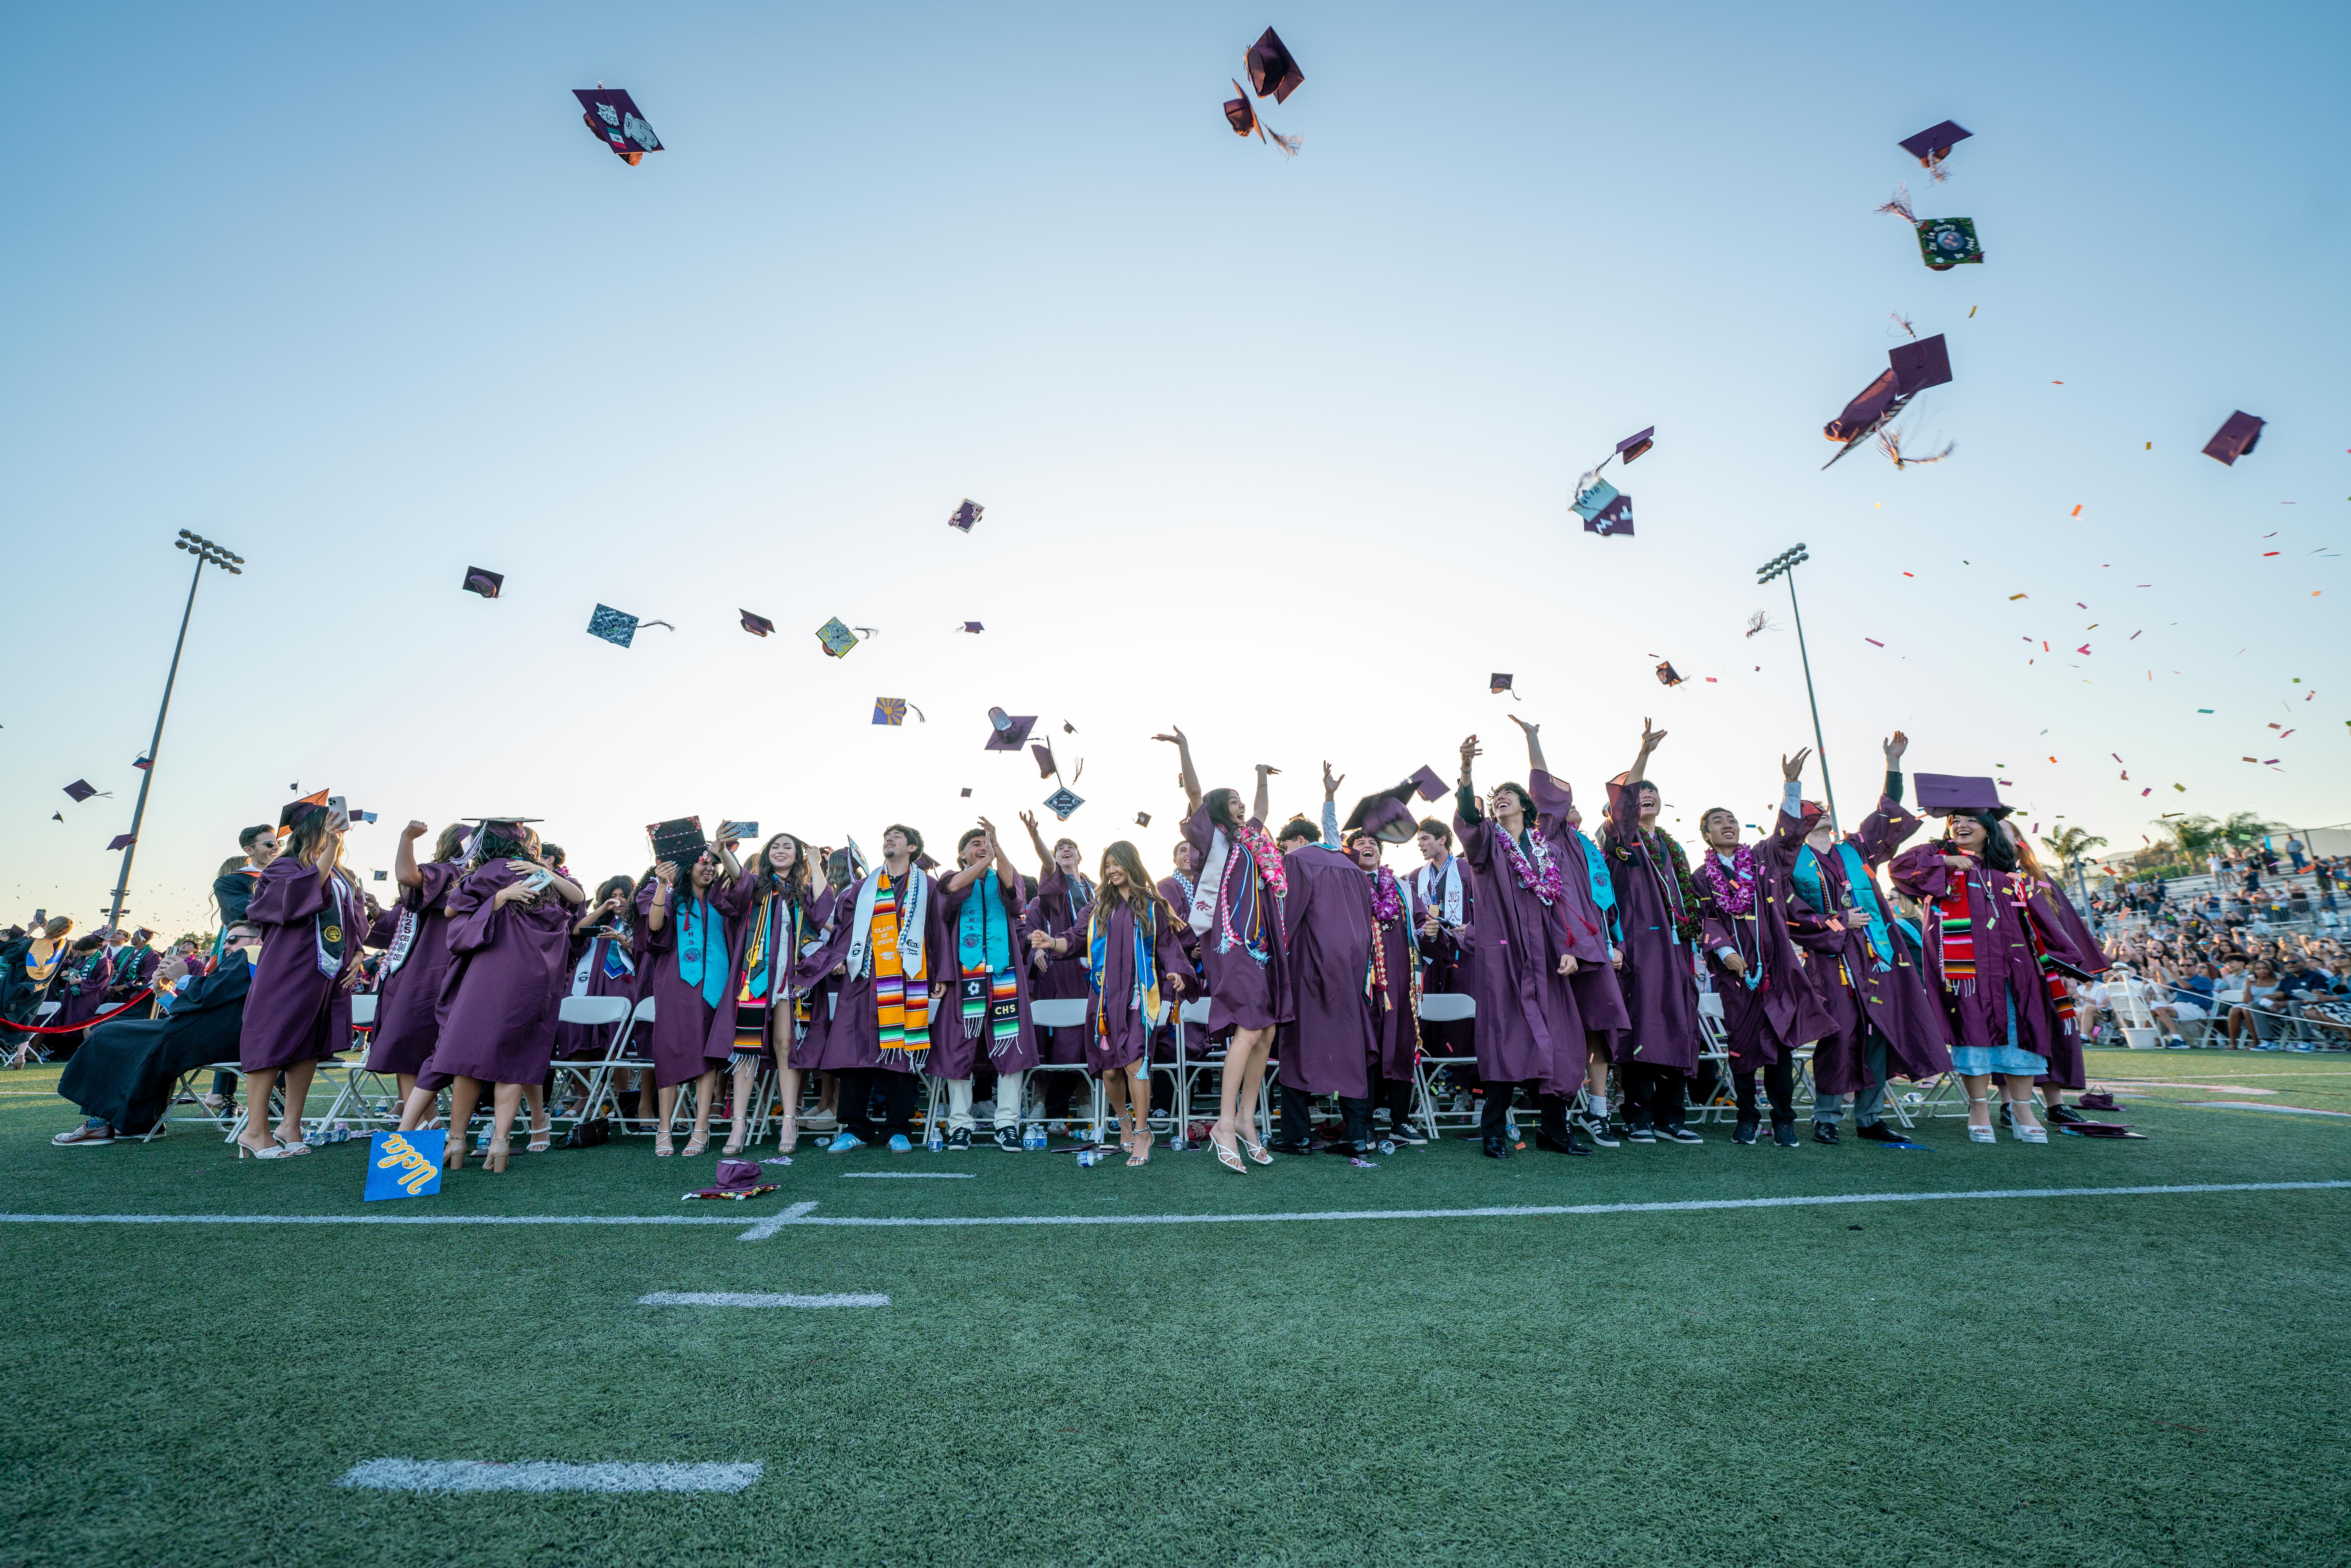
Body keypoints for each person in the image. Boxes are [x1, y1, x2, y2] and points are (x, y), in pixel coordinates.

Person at [1890, 776, 2082, 1143]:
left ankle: (2022, 1107)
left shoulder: (2013, 875)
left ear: (1988, 829)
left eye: (1971, 820)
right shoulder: (1939, 868)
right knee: (1972, 1035)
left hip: (2018, 972)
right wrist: (1947, 859)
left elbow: (2045, 922)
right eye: (1955, 821)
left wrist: (2064, 965)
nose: (1961, 826)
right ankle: (1978, 1106)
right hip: (1967, 974)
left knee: (2021, 1034)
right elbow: (1899, 869)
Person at [1785, 734, 1954, 1143]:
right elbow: (1793, 916)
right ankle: (1826, 1116)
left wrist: (1892, 764)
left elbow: (1886, 817)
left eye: (1822, 808)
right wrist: (1842, 922)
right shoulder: (1791, 862)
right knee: (1839, 1036)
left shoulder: (1855, 851)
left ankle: (1870, 1118)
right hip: (1832, 961)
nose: (1821, 813)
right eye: (1811, 810)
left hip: (1877, 956)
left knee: (1880, 1032)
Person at [401, 822, 582, 1172]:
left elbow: (453, 910)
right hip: (536, 980)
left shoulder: (494, 870)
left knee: (461, 1058)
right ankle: (500, 1143)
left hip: (494, 975)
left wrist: (496, 899)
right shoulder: (541, 875)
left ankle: (455, 1141)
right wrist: (542, 872)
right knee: (512, 1061)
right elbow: (575, 899)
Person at [1155, 726, 1292, 1174]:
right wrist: (1185, 749)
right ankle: (1225, 1123)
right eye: (1231, 800)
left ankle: (1249, 1120)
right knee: (1249, 1030)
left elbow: (1263, 809)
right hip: (1227, 944)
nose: (1240, 806)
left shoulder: (1252, 840)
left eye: (1240, 800)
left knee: (1267, 1032)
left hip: (1258, 945)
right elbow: (1195, 792)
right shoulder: (1210, 839)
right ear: (1219, 809)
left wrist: (1260, 776)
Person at [1453, 733, 1594, 1159]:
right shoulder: (1487, 846)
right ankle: (1494, 1131)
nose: (1502, 799)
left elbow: (1565, 903)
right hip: (1505, 960)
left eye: (1510, 795)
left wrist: (1570, 948)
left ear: (1526, 808)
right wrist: (1465, 770)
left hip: (1547, 960)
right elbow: (1467, 818)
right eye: (1497, 796)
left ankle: (1554, 1130)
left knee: (1558, 1041)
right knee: (1503, 1041)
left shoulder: (1548, 851)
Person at [1688, 751, 1839, 1148]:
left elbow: (1788, 836)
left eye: (1732, 820)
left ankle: (1785, 1120)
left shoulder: (1761, 861)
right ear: (1706, 835)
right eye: (1718, 822)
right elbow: (1704, 921)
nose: (1728, 825)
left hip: (1775, 968)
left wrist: (1791, 786)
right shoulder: (1702, 877)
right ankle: (1748, 1118)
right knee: (1743, 1047)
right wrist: (1724, 953)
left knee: (1782, 1044)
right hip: (1736, 975)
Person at [1510, 716, 1634, 1150]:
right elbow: (1543, 788)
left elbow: (1605, 902)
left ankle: (1597, 1112)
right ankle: (1555, 1117)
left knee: (1600, 1026)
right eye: (1561, 802)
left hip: (1596, 946)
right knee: (1563, 1030)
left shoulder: (1591, 849)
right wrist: (1533, 739)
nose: (1569, 804)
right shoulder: (1548, 838)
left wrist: (1613, 941)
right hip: (1559, 949)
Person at [793, 824, 953, 1154]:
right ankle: (855, 1129)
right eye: (886, 837)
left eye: (896, 837)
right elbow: (840, 929)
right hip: (863, 980)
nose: (888, 841)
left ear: (912, 848)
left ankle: (898, 1129)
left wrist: (943, 974)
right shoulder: (861, 889)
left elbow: (937, 931)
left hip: (906, 979)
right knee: (855, 1056)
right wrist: (836, 959)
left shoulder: (928, 887)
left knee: (900, 1054)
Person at [1035, 840, 1196, 1166]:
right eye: (1107, 866)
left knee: (1135, 1064)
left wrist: (1177, 973)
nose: (1111, 871)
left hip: (1139, 997)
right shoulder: (1097, 908)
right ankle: (1123, 1121)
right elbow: (1075, 939)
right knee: (1110, 1072)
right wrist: (1052, 942)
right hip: (1105, 1000)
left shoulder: (1152, 906)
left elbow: (1168, 946)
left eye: (1117, 864)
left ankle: (1142, 1133)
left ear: (1131, 865)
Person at [235, 797, 367, 1159]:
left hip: (327, 971)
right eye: (330, 828)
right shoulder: (283, 869)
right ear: (315, 829)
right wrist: (333, 847)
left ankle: (289, 1125)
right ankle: (255, 1130)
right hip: (289, 966)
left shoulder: (344, 875)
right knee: (272, 1039)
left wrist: (357, 953)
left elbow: (354, 920)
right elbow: (296, 898)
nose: (337, 835)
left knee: (310, 1044)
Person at [53, 923, 261, 1144]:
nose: (226, 946)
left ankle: (98, 1124)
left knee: (109, 1035)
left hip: (216, 1039)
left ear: (258, 940)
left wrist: (182, 977)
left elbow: (209, 995)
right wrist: (165, 993)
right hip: (214, 1035)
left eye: (233, 940)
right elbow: (210, 1005)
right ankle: (140, 1123)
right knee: (141, 1043)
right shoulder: (251, 962)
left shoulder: (253, 954)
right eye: (225, 941)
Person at [1600, 720, 1705, 1144]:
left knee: (1681, 1028)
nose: (1646, 798)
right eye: (1639, 794)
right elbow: (1622, 811)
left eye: (1652, 793)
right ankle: (1638, 1117)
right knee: (1645, 1029)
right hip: (1641, 948)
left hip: (1678, 950)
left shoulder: (1674, 848)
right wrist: (1643, 753)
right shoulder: (1619, 841)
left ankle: (1673, 1117)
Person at [1269, 797, 1382, 1166]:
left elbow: (1287, 918)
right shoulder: (1351, 867)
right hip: (1350, 970)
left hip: (1309, 966)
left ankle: (1297, 1135)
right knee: (1349, 1046)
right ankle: (1355, 1137)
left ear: (1297, 842)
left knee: (1298, 1044)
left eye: (1284, 848)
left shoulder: (1298, 861)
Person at [634, 833, 751, 1156]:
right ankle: (665, 1128)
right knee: (671, 1051)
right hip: (676, 984)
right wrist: (661, 886)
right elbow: (654, 928)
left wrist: (721, 850)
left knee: (708, 1055)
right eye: (703, 863)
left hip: (716, 987)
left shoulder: (721, 900)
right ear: (686, 867)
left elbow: (744, 889)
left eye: (712, 863)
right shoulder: (667, 892)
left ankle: (701, 1127)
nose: (709, 868)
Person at [932, 819, 1041, 1151]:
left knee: (1011, 1042)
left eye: (986, 842)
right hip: (965, 976)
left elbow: (1014, 895)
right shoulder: (952, 879)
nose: (982, 846)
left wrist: (998, 849)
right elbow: (951, 893)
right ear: (962, 854)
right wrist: (985, 859)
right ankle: (960, 1123)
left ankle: (1007, 1122)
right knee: (957, 1047)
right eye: (975, 844)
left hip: (1004, 975)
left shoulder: (1003, 875)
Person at [1330, 778, 1427, 1149]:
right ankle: (1363, 1124)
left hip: (1400, 982)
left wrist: (1429, 927)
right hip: (1361, 982)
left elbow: (1418, 923)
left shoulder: (1401, 887)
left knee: (1402, 1045)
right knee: (1364, 1050)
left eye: (1373, 842)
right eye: (1360, 842)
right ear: (1349, 852)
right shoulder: (1344, 882)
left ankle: (1400, 1121)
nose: (1367, 845)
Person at [365, 821, 471, 1112]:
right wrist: (407, 839)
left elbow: (409, 882)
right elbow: (406, 896)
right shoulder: (452, 873)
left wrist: (407, 839)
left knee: (414, 1043)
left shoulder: (457, 875)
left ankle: (421, 1117)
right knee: (410, 1044)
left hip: (426, 972)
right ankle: (420, 1116)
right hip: (419, 972)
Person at [729, 834, 825, 1155]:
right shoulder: (755, 887)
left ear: (797, 856)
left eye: (788, 847)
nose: (780, 851)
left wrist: (816, 864)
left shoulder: (802, 892)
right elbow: (734, 879)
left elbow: (827, 914)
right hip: (755, 976)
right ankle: (739, 1124)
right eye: (775, 847)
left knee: (786, 1045)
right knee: (746, 1047)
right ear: (765, 854)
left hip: (788, 977)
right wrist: (722, 851)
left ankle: (788, 1120)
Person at [1021, 812, 1096, 1135]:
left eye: (1071, 846)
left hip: (1093, 975)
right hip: (1059, 971)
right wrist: (1038, 948)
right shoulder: (1047, 894)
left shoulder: (1096, 893)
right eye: (1059, 847)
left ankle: (1085, 1100)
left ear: (1081, 856)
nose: (1066, 849)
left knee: (1087, 1037)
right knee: (1054, 1040)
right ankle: (1043, 1101)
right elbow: (1033, 932)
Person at [553, 873, 641, 1115]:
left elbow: (644, 952)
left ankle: (621, 1099)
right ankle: (585, 1096)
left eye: (624, 896)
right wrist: (603, 908)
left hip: (620, 986)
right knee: (577, 1039)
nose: (619, 901)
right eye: (613, 896)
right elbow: (577, 932)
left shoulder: (639, 921)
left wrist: (621, 939)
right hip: (587, 986)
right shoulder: (597, 922)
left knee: (615, 1043)